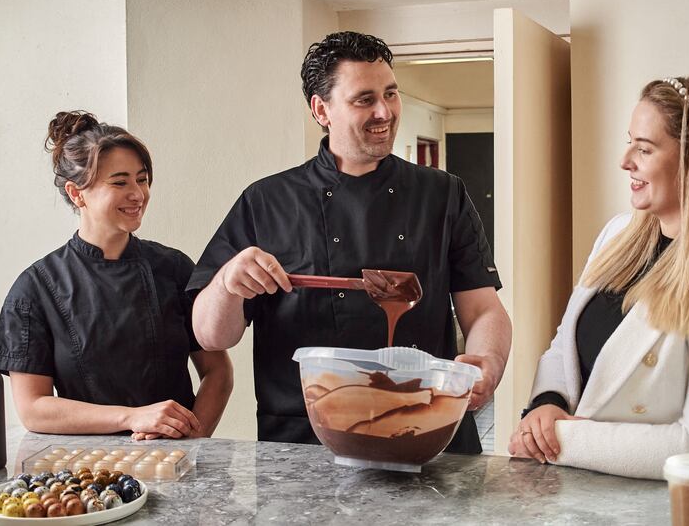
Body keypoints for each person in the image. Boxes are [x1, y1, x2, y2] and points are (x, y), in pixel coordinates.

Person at [188, 31, 512, 452]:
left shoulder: (442, 194)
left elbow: (484, 308)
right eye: (364, 99)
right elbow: (211, 336)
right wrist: (227, 283)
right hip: (305, 442)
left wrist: (488, 361)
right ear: (321, 110)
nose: (385, 111)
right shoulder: (267, 201)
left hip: (427, 430)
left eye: (391, 94)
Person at [509, 76, 689, 479]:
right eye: (630, 141)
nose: (625, 160)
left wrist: (559, 440)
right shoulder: (618, 234)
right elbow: (564, 345)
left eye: (645, 148)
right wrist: (547, 403)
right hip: (574, 495)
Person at [0, 111, 233, 439]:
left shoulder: (174, 269)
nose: (138, 193)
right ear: (78, 194)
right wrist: (132, 418)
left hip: (174, 457)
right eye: (120, 182)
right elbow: (34, 408)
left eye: (142, 179)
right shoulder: (35, 288)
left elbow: (217, 372)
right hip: (84, 470)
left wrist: (191, 438)